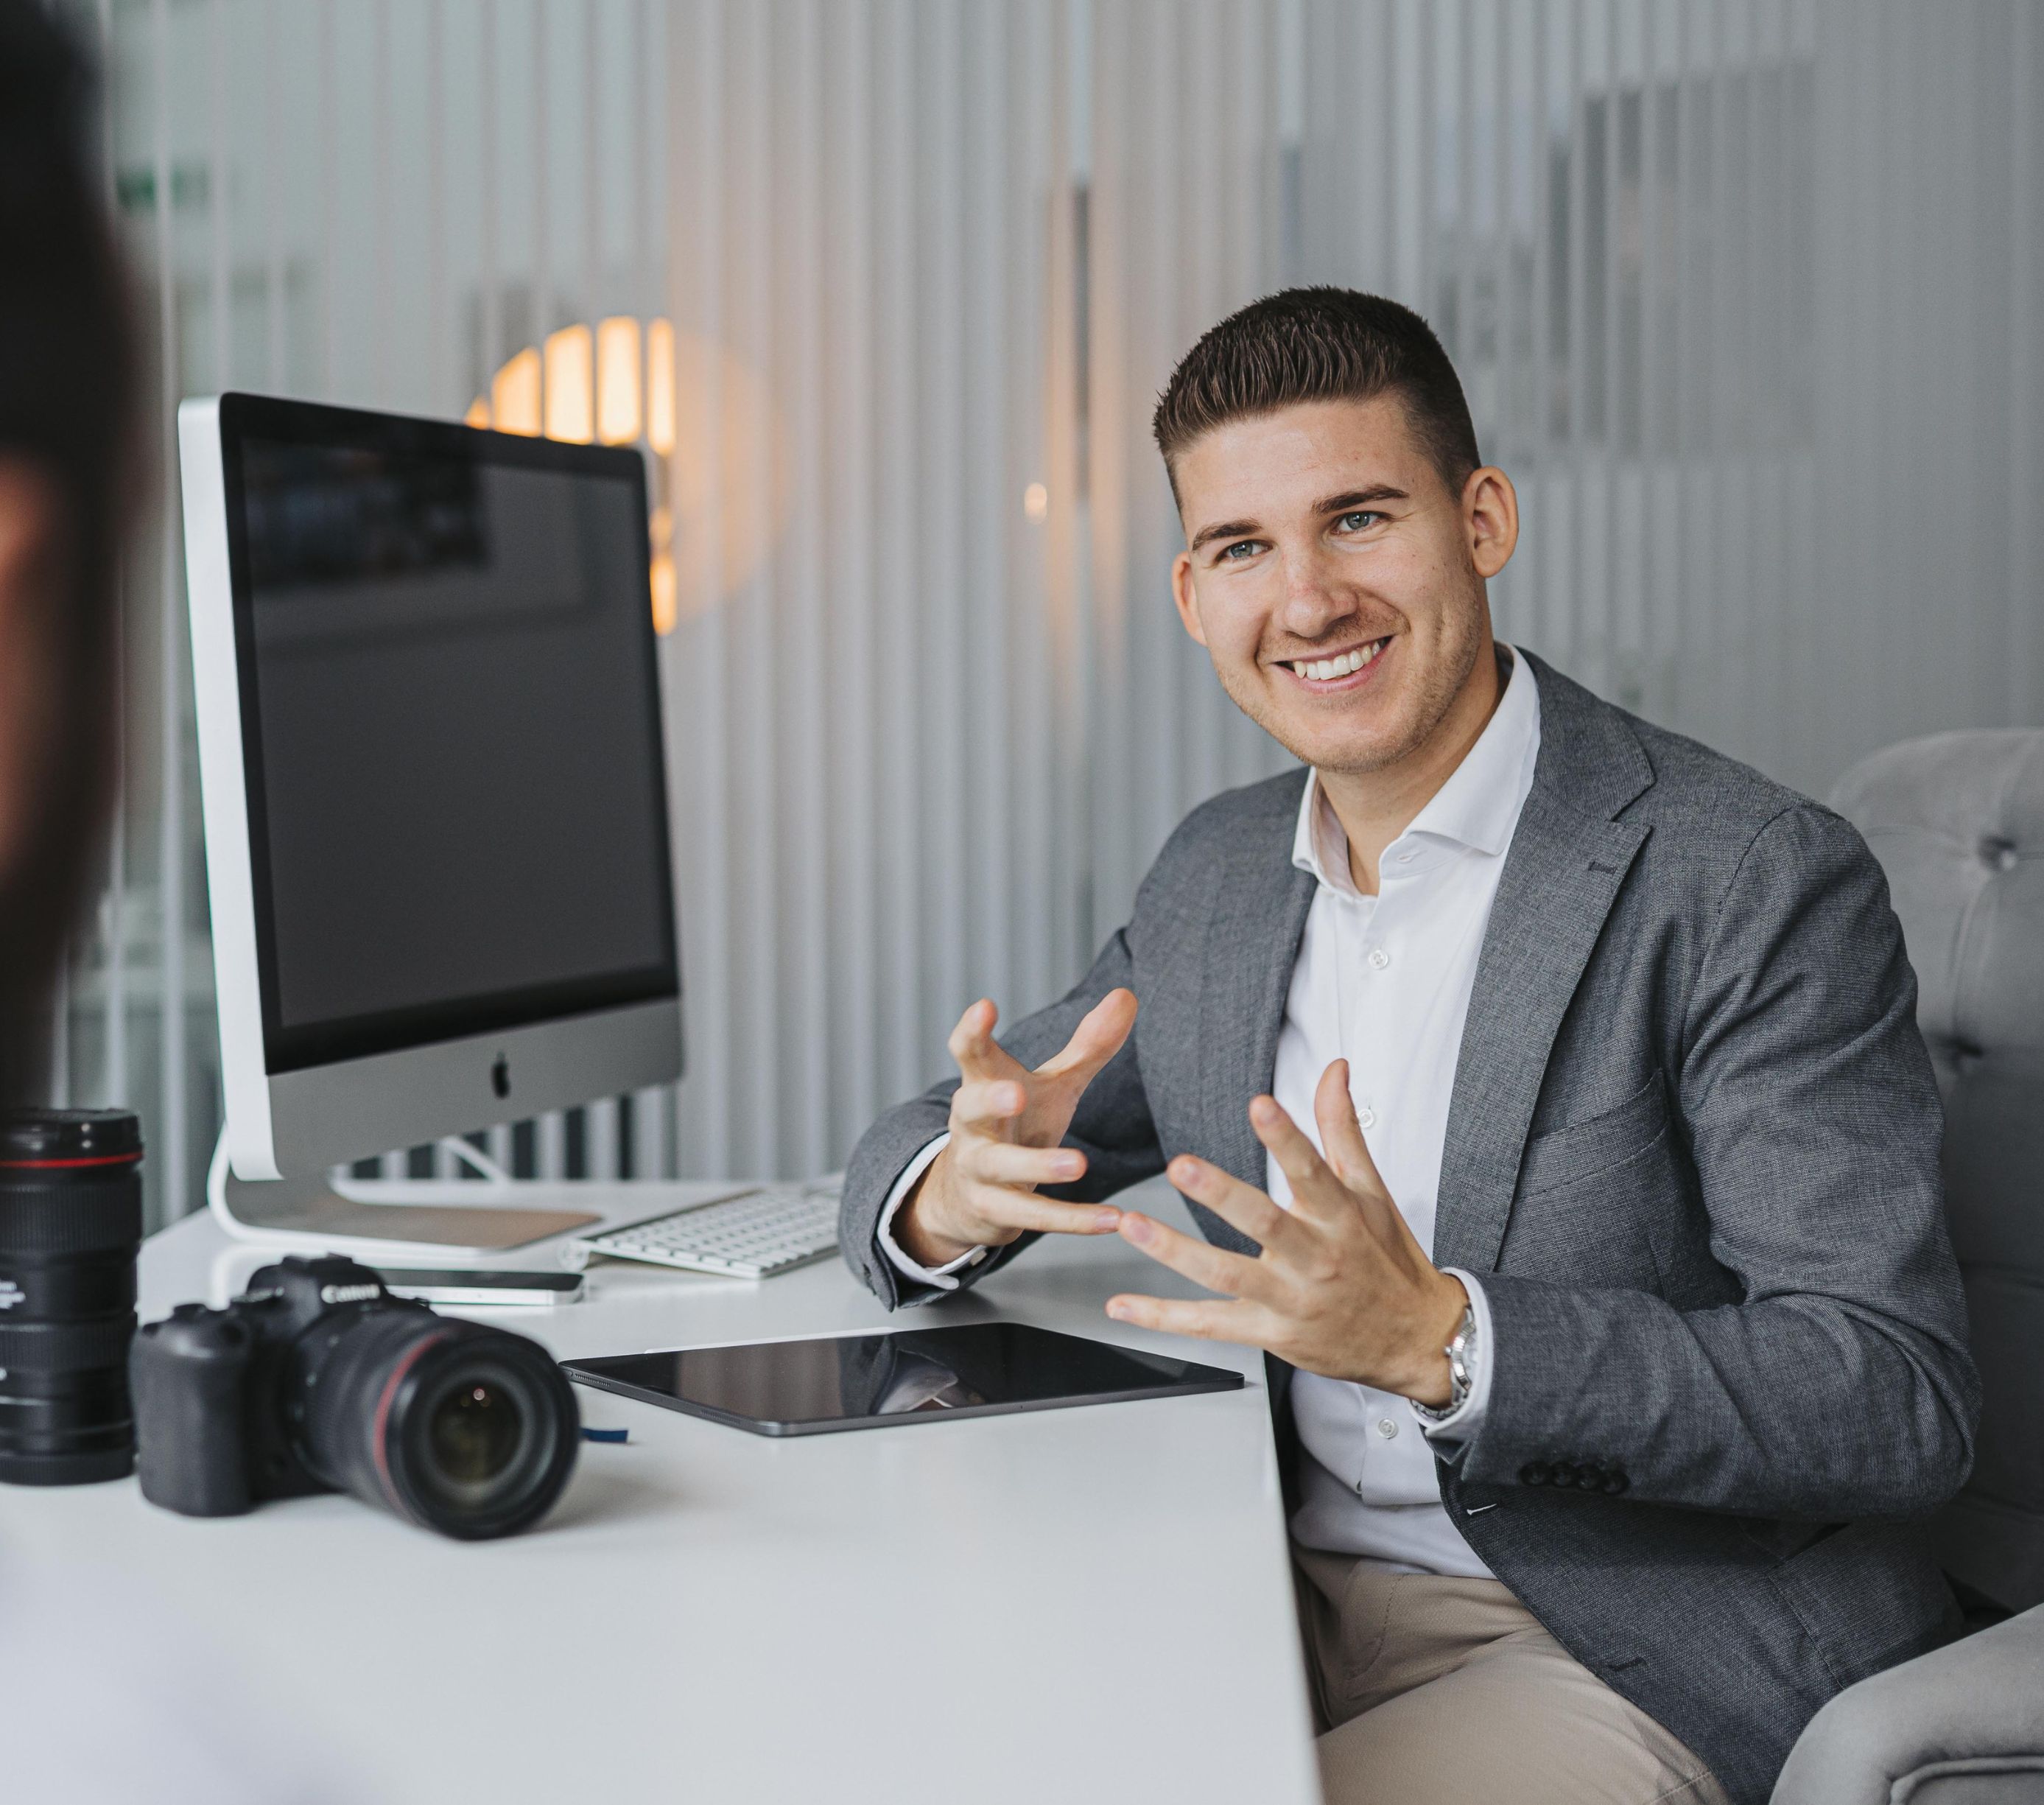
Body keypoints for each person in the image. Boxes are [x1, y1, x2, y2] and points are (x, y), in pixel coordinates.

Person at [837, 287, 1978, 1805]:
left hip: (1615, 1645)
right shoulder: (1217, 876)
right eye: (1242, 548)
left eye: (1358, 519)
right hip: (1254, 1580)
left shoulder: (1743, 878)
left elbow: (1887, 1391)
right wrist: (949, 1187)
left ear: (1480, 520)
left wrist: (1446, 1340)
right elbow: (972, 1115)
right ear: (1191, 595)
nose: (1307, 601)